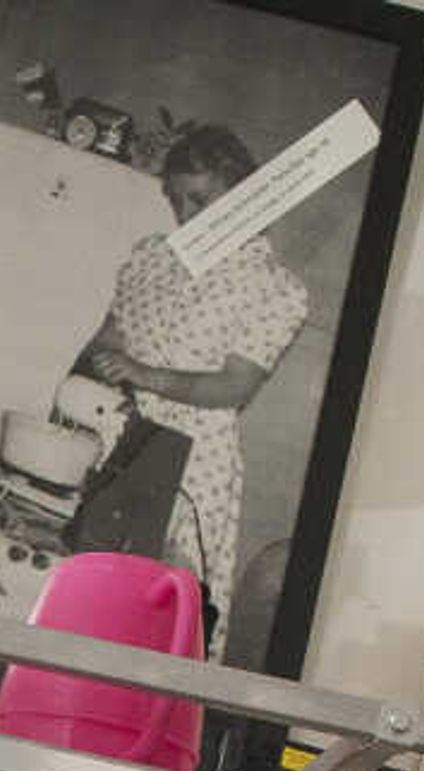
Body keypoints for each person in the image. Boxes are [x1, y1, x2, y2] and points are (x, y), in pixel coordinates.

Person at [74, 122, 308, 656]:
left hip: (195, 460)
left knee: (163, 624)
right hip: (122, 438)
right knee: (95, 600)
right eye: (177, 199)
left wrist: (143, 374)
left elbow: (234, 386)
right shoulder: (151, 256)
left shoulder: (278, 289)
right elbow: (108, 337)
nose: (187, 215)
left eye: (200, 199)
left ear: (244, 196)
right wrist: (83, 387)